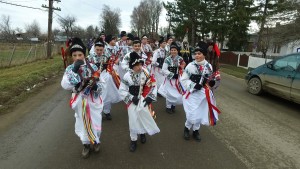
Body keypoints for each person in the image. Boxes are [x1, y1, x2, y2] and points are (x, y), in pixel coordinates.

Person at [61, 37, 104, 158]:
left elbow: (102, 84)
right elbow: (65, 85)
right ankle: (86, 145)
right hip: (80, 101)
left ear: (84, 55)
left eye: (80, 54)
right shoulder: (70, 69)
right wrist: (74, 71)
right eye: (74, 55)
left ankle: (95, 141)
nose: (77, 57)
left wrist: (96, 87)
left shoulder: (93, 67)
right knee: (82, 123)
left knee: (95, 121)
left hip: (93, 100)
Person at [119, 51, 160, 152]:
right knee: (133, 119)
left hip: (143, 98)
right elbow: (122, 90)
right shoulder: (127, 76)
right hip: (132, 100)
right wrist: (131, 98)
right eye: (137, 65)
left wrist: (150, 97)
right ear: (132, 65)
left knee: (143, 116)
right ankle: (133, 139)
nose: (139, 67)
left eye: (141, 64)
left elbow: (153, 84)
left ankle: (142, 133)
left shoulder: (145, 72)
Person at [180, 41, 221, 142]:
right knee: (191, 113)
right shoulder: (190, 66)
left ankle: (196, 130)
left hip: (203, 94)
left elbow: (210, 79)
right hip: (192, 93)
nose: (197, 55)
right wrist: (194, 85)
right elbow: (183, 79)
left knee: (200, 113)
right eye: (196, 54)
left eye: (199, 53)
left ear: (204, 55)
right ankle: (187, 128)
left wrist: (211, 83)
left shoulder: (209, 66)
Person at [88, 38, 122, 120]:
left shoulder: (107, 55)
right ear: (94, 48)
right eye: (97, 50)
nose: (99, 52)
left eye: (101, 50)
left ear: (103, 48)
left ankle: (107, 111)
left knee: (107, 95)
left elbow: (111, 66)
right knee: (97, 96)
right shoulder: (90, 57)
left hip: (106, 77)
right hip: (95, 78)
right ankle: (97, 112)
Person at [158, 42, 186, 114]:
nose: (173, 51)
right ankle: (168, 106)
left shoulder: (180, 59)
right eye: (172, 50)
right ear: (170, 51)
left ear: (177, 51)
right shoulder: (167, 59)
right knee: (169, 93)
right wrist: (172, 75)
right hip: (169, 79)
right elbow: (164, 69)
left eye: (175, 50)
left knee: (176, 92)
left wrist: (180, 73)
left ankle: (173, 105)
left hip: (177, 79)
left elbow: (183, 68)